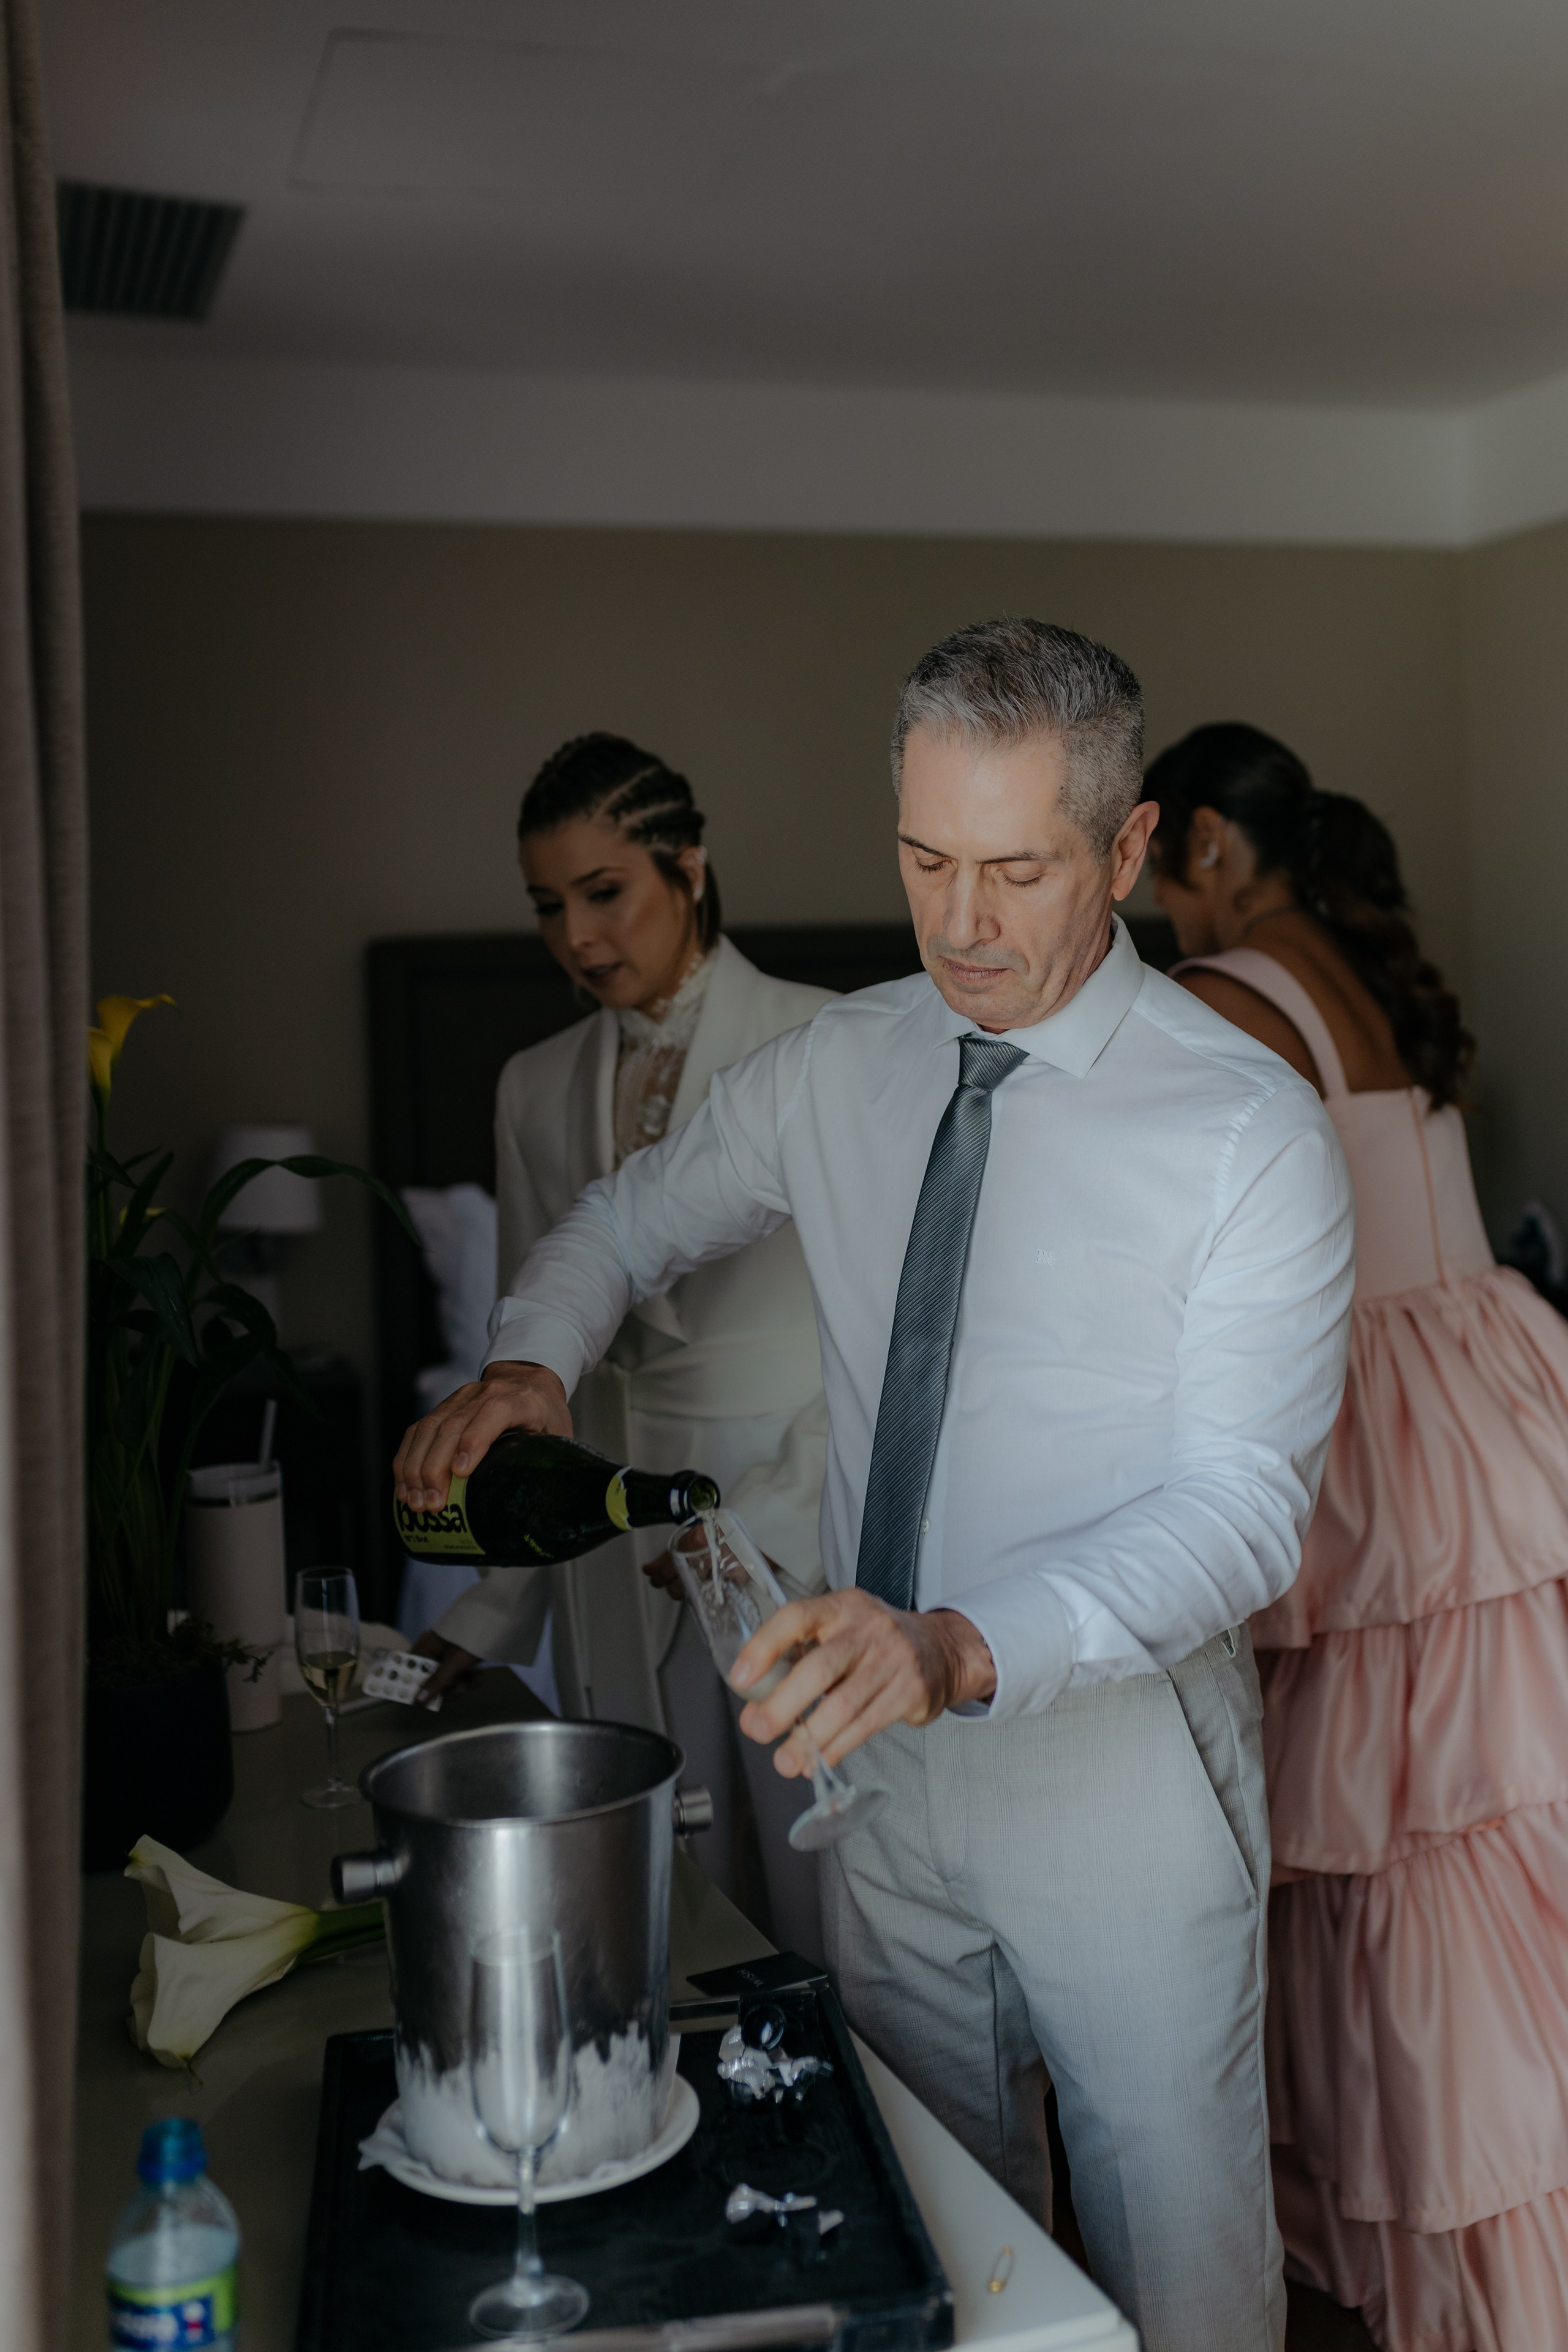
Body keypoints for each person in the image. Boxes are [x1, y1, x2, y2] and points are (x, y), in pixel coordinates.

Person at [395, 622, 1355, 2352]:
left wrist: (960, 1647)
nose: (962, 924)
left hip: (1115, 1777)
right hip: (884, 1778)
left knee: (1185, 2286)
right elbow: (621, 1218)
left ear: (1128, 850)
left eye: (1016, 869)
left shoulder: (1248, 1130)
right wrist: (535, 1356)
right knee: (925, 2242)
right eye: (924, 860)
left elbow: (1242, 1513)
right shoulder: (847, 1063)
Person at [1150, 720, 1568, 2352]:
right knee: (1488, 1845)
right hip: (1478, 1412)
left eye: (1152, 861)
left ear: (1201, 844)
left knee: (1385, 1859)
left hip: (1377, 1451)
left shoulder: (1223, 995)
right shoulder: (1369, 971)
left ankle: (1437, 2256)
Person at [410, 731, 834, 1954]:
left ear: (688, 868)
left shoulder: (824, 1043)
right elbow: (521, 1370)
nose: (577, 938)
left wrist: (766, 1519)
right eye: (548, 906)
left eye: (605, 893)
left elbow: (881, 1347)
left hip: (777, 1518)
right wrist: (488, 1611)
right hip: (597, 1524)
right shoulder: (529, 1084)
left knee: (809, 1893)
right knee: (655, 1895)